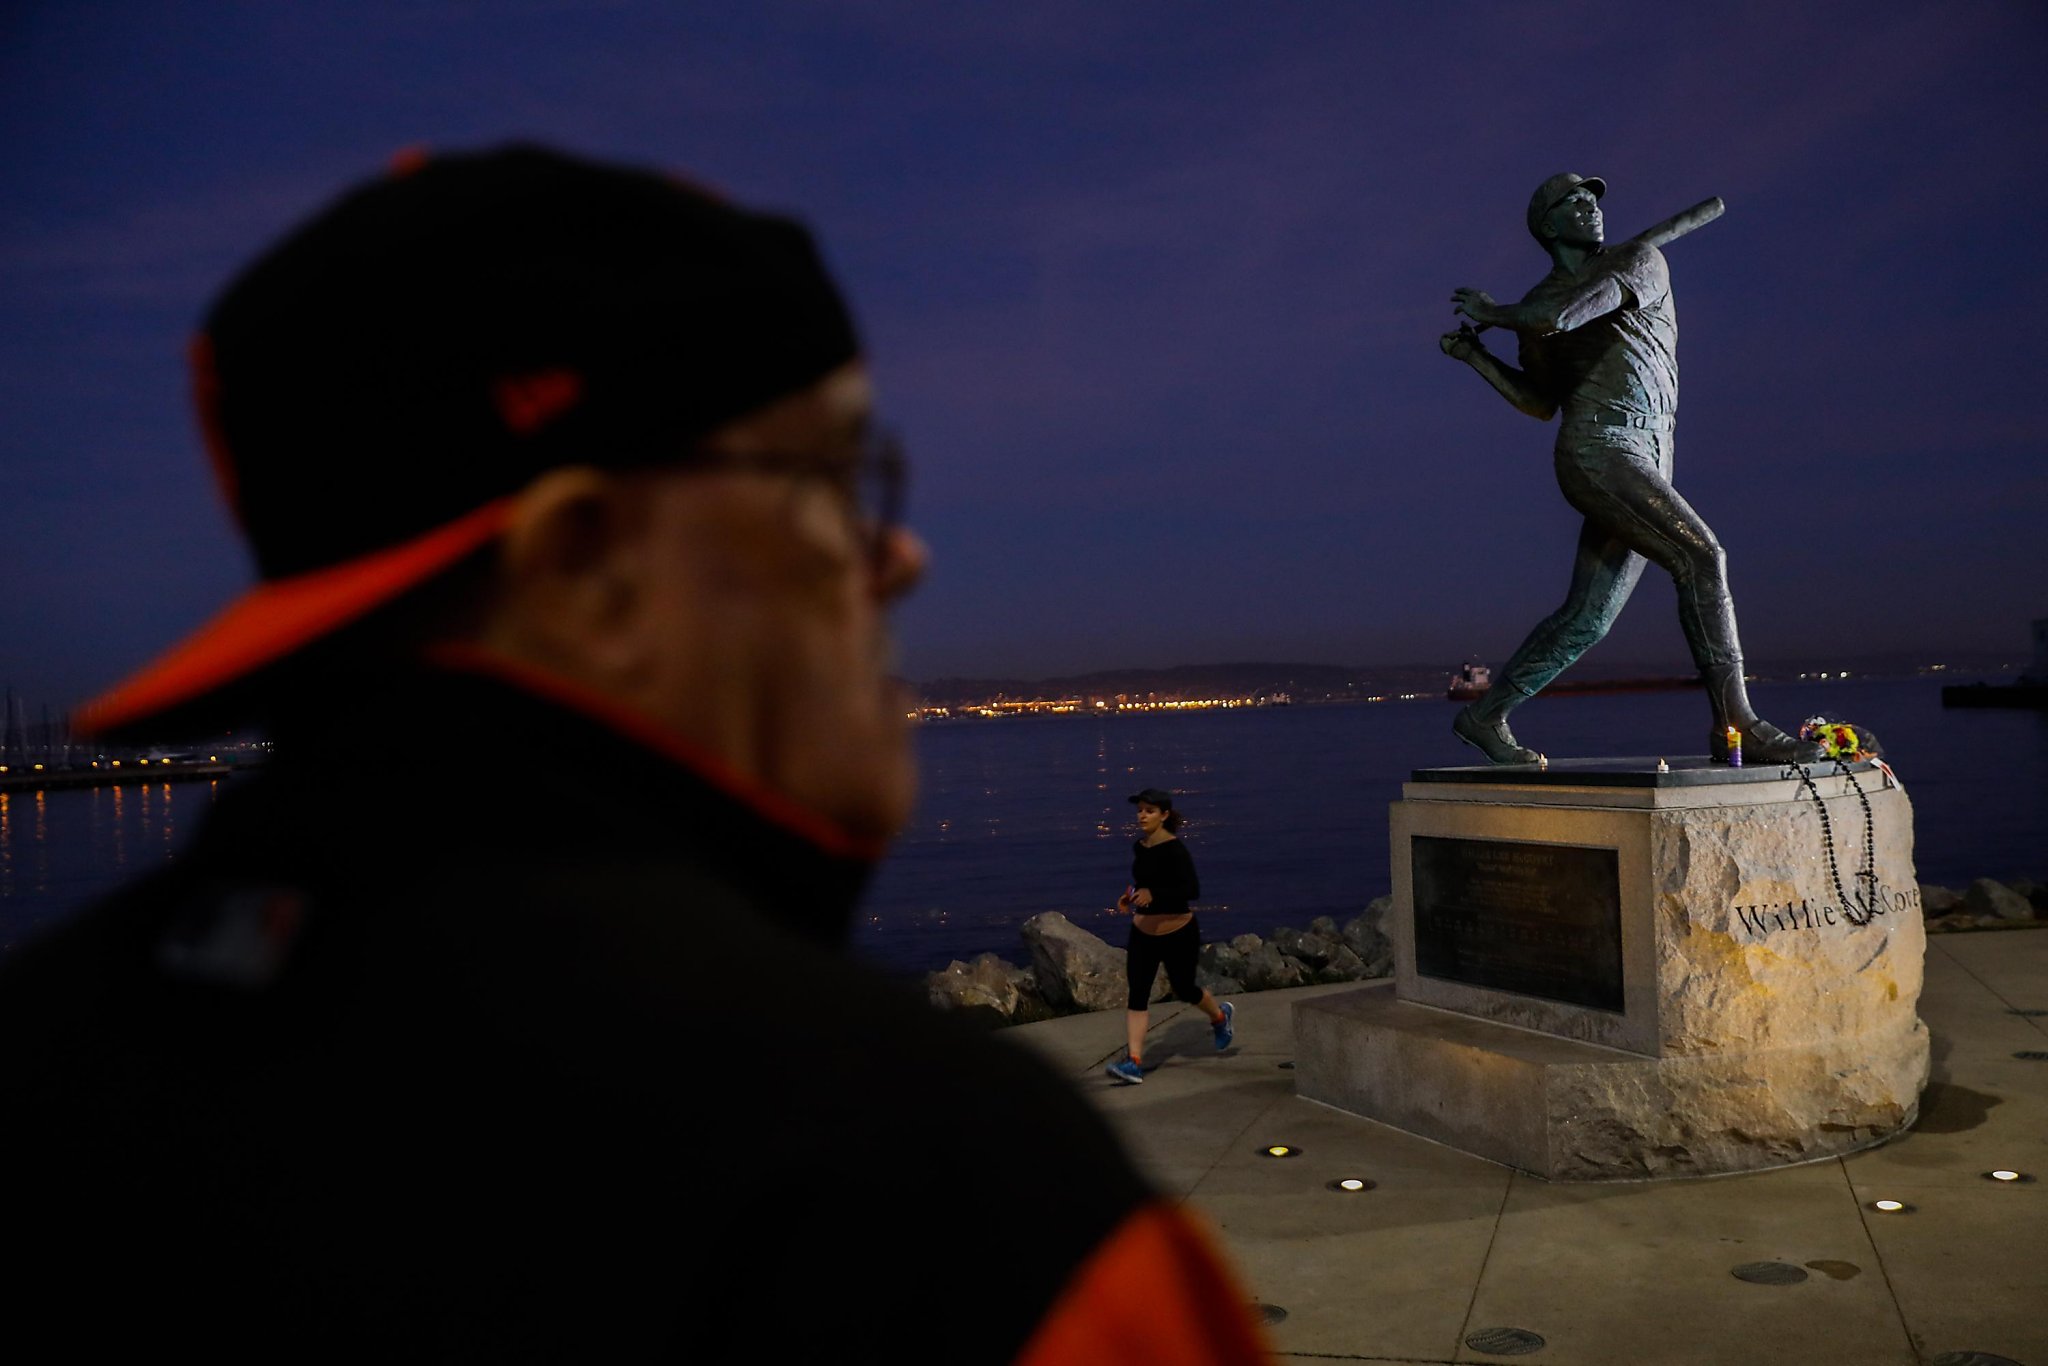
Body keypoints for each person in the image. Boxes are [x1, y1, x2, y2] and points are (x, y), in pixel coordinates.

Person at [0, 145, 1271, 1364]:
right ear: (587, 569)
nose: (898, 556)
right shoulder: (953, 1212)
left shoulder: (50, 1061)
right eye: (833, 482)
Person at [1438, 172, 1823, 766]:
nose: (1591, 206)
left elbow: (1565, 315)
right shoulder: (1535, 310)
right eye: (1574, 200)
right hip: (1596, 451)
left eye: (1593, 198)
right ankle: (1736, 724)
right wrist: (1478, 357)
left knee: (1588, 618)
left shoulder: (1638, 261)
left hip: (1650, 451)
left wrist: (1496, 311)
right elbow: (1540, 401)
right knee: (1702, 557)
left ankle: (1483, 717)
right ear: (1548, 224)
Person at [1105, 787, 1235, 1084]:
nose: (1142, 816)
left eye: (1149, 811)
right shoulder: (1140, 847)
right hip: (1142, 932)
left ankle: (1219, 1017)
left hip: (1177, 931)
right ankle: (1134, 1062)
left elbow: (1190, 890)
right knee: (1138, 993)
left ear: (1164, 815)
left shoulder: (1176, 850)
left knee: (1184, 988)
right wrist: (1132, 896)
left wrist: (1155, 893)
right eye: (1139, 810)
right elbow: (1144, 883)